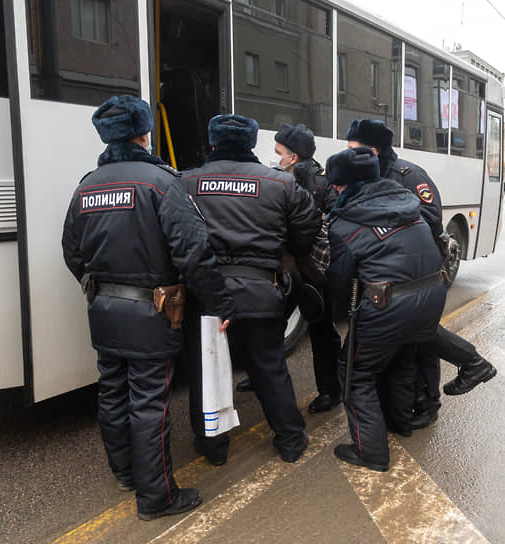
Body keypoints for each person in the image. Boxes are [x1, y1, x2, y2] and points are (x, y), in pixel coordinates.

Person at [61, 95, 235, 520]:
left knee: (112, 392)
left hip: (103, 309)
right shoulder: (160, 182)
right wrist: (217, 302)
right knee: (149, 402)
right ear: (144, 134)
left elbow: (71, 251)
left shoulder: (87, 185)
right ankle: (157, 496)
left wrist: (101, 285)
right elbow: (193, 251)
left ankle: (124, 474)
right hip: (152, 313)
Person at [183, 114, 320, 466]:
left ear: (212, 143)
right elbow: (308, 228)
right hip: (262, 289)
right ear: (251, 143)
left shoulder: (185, 181)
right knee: (269, 367)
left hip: (206, 293)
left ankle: (212, 447)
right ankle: (290, 439)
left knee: (206, 370)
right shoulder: (280, 183)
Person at [343, 119, 496, 430]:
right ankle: (411, 400)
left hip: (416, 272)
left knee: (421, 339)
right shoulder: (366, 174)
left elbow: (430, 223)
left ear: (372, 150)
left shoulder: (408, 175)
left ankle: (431, 400)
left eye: (353, 149)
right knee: (410, 340)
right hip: (390, 274)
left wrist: (388, 237)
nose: (349, 155)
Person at [324, 147, 447, 472]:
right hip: (431, 296)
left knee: (356, 372)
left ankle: (371, 452)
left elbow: (340, 279)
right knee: (403, 360)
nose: (334, 191)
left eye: (336, 185)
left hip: (386, 305)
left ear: (347, 185)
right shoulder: (410, 207)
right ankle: (399, 423)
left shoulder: (345, 224)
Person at [273, 123, 342, 414]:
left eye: (280, 153)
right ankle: (260, 374)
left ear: (294, 158)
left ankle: (330, 391)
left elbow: (338, 219)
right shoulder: (276, 178)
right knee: (273, 324)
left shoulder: (322, 183)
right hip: (286, 267)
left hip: (313, 271)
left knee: (321, 330)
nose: (276, 158)